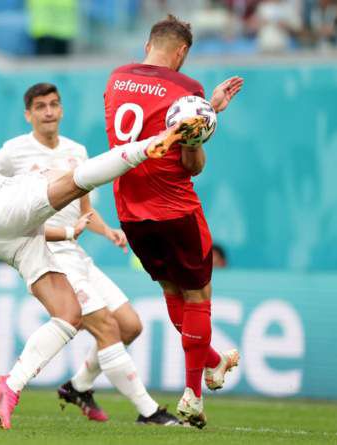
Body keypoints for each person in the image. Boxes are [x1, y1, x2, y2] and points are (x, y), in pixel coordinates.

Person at [0, 94, 203, 429]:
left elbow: (15, 222)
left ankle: (10, 385)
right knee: (79, 178)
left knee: (69, 315)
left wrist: (66, 233)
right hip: (0, 207)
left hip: (2, 235)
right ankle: (153, 144)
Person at [0, 82, 175, 424]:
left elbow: (83, 205)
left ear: (61, 110)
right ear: (28, 114)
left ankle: (78, 386)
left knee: (130, 326)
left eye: (54, 105)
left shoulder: (77, 151)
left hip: (75, 249)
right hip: (47, 252)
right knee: (106, 327)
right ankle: (149, 411)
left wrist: (106, 231)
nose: (48, 112)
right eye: (41, 106)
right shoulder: (13, 153)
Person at [103, 15, 243, 428]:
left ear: (149, 44)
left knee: (172, 291)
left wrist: (207, 110)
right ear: (182, 52)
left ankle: (214, 363)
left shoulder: (116, 78)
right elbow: (191, 162)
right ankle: (193, 397)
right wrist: (207, 113)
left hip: (130, 209)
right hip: (175, 207)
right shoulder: (187, 89)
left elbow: (144, 125)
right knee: (198, 297)